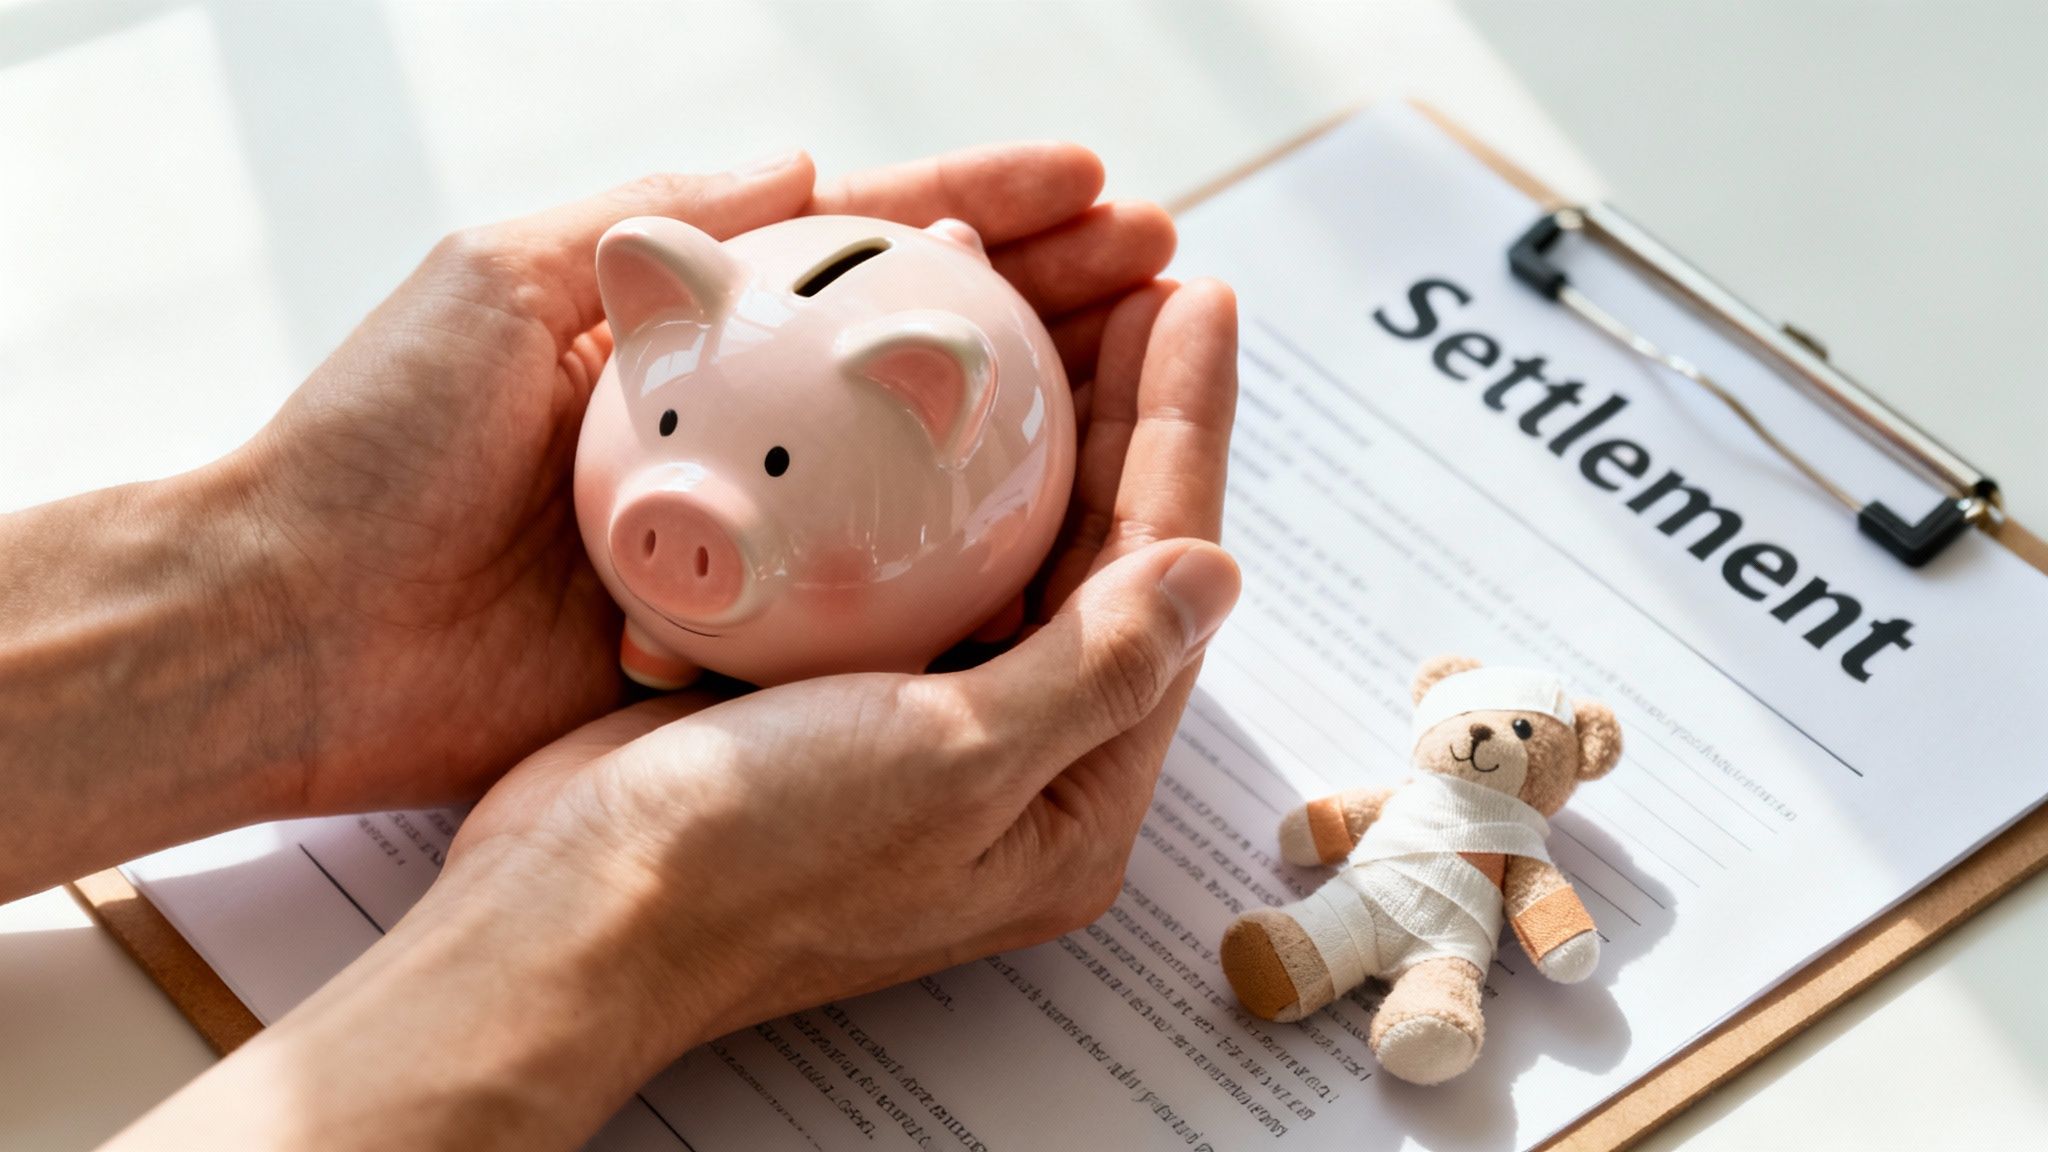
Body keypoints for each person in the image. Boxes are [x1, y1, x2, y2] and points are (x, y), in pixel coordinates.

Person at [0, 142, 1242, 1149]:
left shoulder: (945, 392)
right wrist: (642, 914)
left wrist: (263, 616)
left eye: (770, 466)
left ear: (924, 395)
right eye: (662, 426)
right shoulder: (640, 460)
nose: (691, 504)